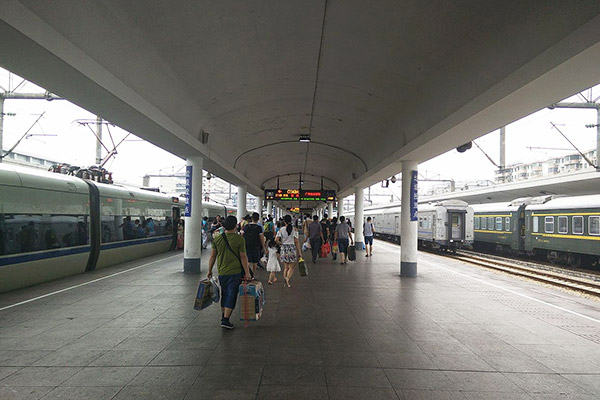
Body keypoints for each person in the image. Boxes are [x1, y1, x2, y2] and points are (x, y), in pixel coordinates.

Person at [207, 215, 251, 329]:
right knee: (231, 294)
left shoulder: (217, 239)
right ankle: (226, 320)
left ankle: (224, 316)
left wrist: (209, 270)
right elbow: (243, 257)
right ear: (236, 226)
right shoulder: (239, 239)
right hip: (235, 271)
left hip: (222, 271)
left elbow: (212, 256)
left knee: (225, 293)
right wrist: (247, 272)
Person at [275, 215, 302, 288]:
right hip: (292, 248)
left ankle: (285, 280)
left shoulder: (281, 229)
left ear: (284, 221)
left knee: (286, 267)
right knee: (292, 267)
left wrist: (282, 244)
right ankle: (287, 278)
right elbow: (296, 242)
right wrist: (300, 253)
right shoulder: (295, 230)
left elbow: (276, 240)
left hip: (284, 248)